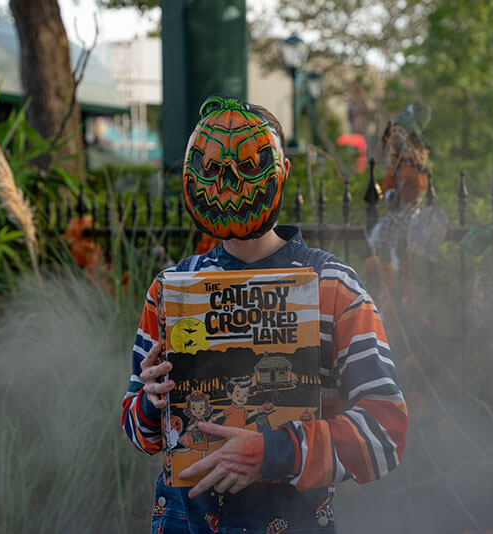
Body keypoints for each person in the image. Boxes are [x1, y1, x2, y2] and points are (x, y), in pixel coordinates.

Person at [121, 94, 408, 533]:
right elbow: (139, 432)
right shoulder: (170, 291)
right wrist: (152, 402)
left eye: (249, 165)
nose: (229, 181)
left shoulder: (332, 287)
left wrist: (276, 451)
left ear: (280, 171)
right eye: (213, 168)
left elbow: (385, 434)